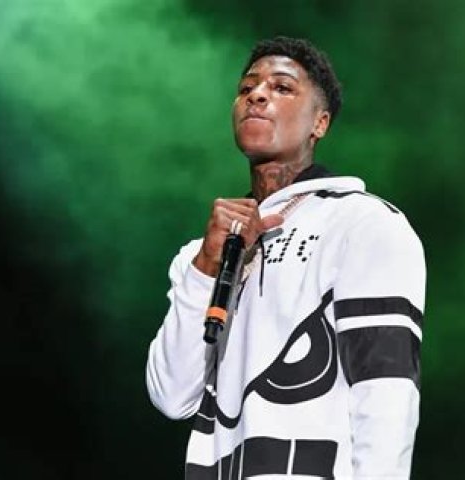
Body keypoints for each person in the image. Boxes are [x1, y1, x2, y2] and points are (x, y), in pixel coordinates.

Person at [146, 36, 426, 479]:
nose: (256, 95)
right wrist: (205, 267)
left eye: (281, 87)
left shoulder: (362, 223)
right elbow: (171, 396)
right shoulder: (202, 254)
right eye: (247, 87)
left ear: (320, 122)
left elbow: (385, 389)